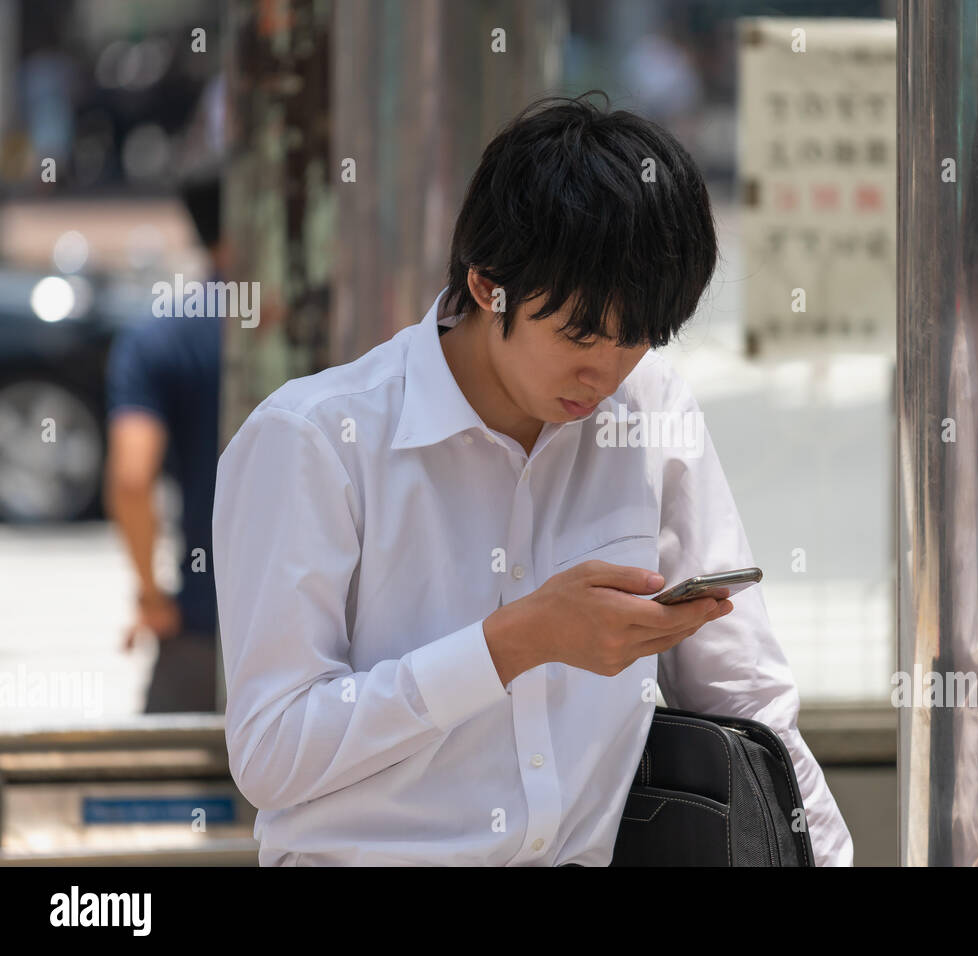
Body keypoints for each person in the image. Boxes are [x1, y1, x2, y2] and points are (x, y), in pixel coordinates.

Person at [213, 92, 854, 866]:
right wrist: (513, 643)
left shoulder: (648, 409)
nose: (606, 369)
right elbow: (272, 752)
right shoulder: (313, 440)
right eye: (580, 333)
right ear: (489, 285)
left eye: (638, 338)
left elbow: (744, 695)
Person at [105, 176, 223, 713]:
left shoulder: (161, 336)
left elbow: (132, 479)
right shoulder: (331, 324)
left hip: (201, 624)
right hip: (329, 635)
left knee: (170, 789)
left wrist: (153, 598)